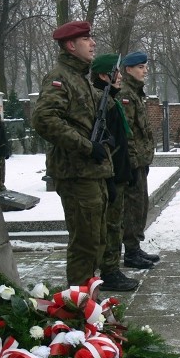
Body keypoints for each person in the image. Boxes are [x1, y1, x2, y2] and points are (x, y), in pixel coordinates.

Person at [32, 21, 113, 287]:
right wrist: (88, 147)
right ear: (70, 45)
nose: (93, 43)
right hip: (76, 172)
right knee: (85, 243)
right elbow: (44, 119)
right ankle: (79, 309)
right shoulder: (60, 77)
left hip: (90, 173)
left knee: (98, 238)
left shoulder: (79, 78)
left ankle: (89, 300)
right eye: (86, 39)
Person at [91, 53, 139, 292]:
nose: (119, 77)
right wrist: (111, 177)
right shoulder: (102, 102)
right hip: (110, 175)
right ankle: (109, 273)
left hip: (118, 173)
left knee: (116, 224)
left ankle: (112, 269)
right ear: (103, 76)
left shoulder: (112, 100)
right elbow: (105, 145)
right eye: (115, 73)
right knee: (110, 226)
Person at [120, 51, 160, 269]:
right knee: (133, 207)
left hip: (140, 161)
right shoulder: (125, 94)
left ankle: (134, 248)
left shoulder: (134, 93)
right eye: (140, 67)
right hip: (133, 162)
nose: (145, 71)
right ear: (128, 69)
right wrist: (134, 160)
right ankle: (131, 252)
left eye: (145, 67)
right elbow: (126, 133)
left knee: (140, 205)